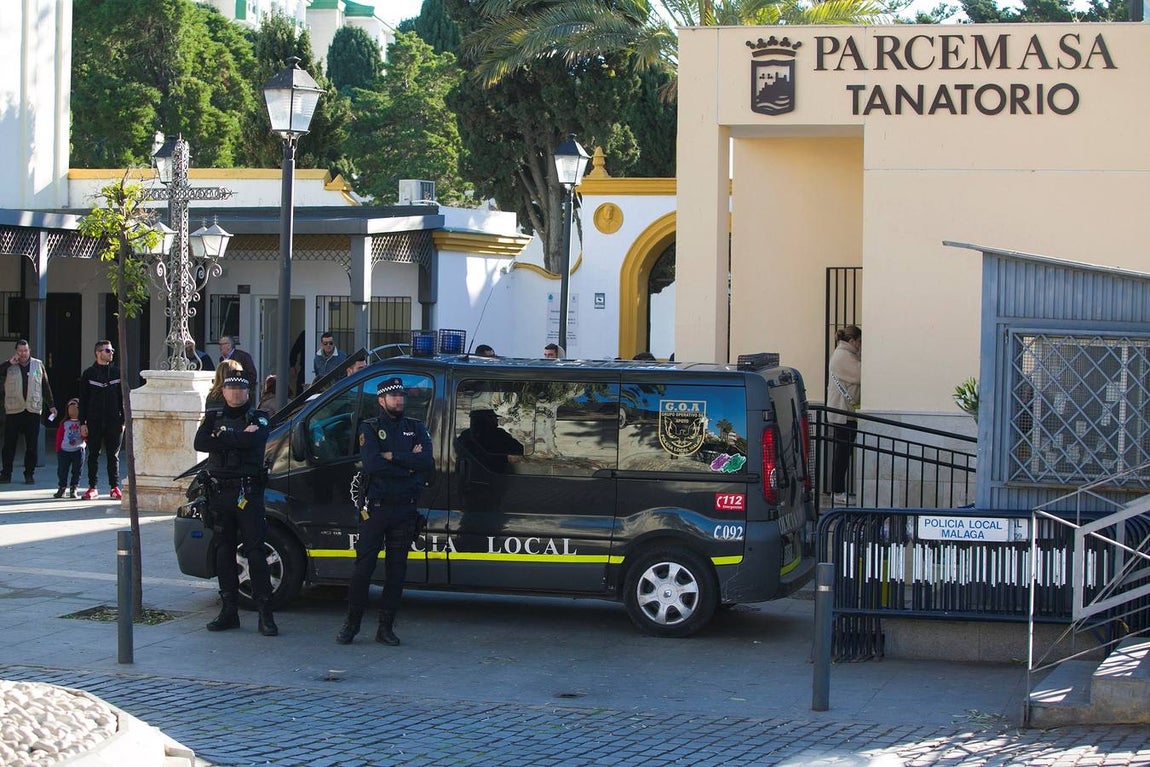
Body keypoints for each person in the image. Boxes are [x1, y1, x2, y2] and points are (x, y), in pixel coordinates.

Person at [336, 377, 433, 647]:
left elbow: (426, 461)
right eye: (393, 396)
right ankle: (351, 625)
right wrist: (407, 462)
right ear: (381, 400)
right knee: (363, 568)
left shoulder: (415, 427)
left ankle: (386, 628)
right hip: (376, 510)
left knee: (397, 570)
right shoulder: (370, 427)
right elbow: (373, 465)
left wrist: (395, 456)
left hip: (404, 509)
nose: (399, 400)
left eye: (401, 395)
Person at [194, 374, 277, 636]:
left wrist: (224, 437)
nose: (235, 393)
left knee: (255, 553)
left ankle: (265, 614)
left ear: (248, 392)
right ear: (224, 391)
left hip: (247, 493)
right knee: (223, 552)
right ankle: (229, 611)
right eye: (230, 388)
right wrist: (236, 435)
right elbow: (200, 443)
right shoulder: (213, 416)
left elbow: (256, 440)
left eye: (240, 389)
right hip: (219, 493)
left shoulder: (258, 417)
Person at [1, 339, 56, 484]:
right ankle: (6, 474)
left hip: (32, 409)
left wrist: (51, 405)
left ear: (29, 350)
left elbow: (45, 385)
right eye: (20, 351)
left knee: (32, 445)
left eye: (25, 351)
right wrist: (8, 363)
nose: (23, 354)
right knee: (9, 445)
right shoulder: (9, 366)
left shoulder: (38, 364)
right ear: (16, 351)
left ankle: (29, 474)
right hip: (14, 409)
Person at [78, 339, 124, 500]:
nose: (111, 353)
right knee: (93, 454)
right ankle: (92, 487)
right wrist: (82, 423)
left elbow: (123, 398)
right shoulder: (89, 374)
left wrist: (124, 421)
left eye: (112, 350)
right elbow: (83, 400)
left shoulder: (118, 373)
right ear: (98, 353)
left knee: (114, 455)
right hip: (94, 420)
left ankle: (115, 487)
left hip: (114, 421)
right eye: (107, 350)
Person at [827, 325, 862, 503]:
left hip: (845, 412)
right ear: (852, 340)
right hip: (842, 413)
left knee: (843, 452)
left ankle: (838, 490)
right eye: (859, 342)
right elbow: (861, 374)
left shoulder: (844, 354)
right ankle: (837, 490)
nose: (860, 346)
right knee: (842, 453)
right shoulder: (843, 356)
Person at [54, 398, 84, 499]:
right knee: (62, 470)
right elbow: (59, 436)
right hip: (64, 450)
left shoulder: (82, 423)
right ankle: (62, 488)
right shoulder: (64, 423)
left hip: (78, 450)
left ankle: (74, 488)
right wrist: (58, 449)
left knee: (77, 471)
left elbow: (85, 435)